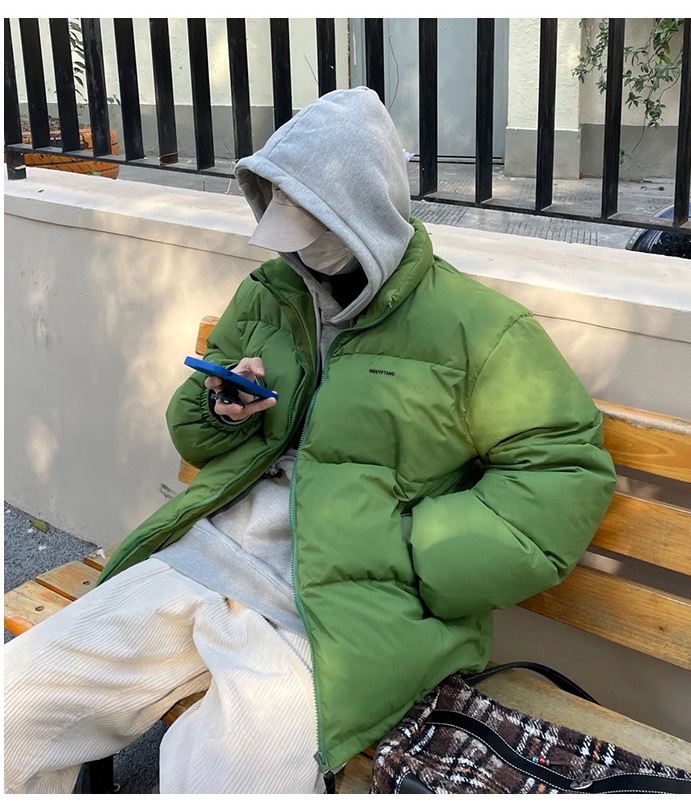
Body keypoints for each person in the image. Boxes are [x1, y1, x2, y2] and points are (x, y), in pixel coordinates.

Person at [4, 86, 616, 794]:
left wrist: (410, 548)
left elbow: (561, 473)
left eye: (313, 220)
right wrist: (224, 407)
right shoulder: (270, 294)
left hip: (334, 606)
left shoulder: (480, 329)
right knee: (16, 703)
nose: (296, 243)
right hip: (202, 555)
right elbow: (191, 430)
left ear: (364, 213)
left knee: (234, 777)